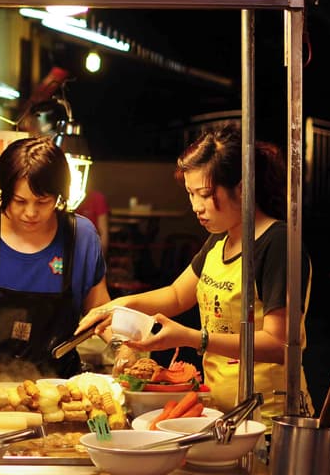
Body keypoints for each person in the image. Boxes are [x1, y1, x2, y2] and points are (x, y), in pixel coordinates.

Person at [76, 123, 313, 423]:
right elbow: (176, 295)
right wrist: (116, 306)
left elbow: (280, 345)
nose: (196, 207)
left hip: (268, 418)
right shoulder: (222, 238)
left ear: (243, 188)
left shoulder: (277, 243)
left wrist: (193, 338)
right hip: (221, 413)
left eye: (205, 194)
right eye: (191, 194)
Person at [0, 136, 111, 381]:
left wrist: (123, 345)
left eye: (43, 201)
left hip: (59, 387)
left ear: (59, 196)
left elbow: (99, 309)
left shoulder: (81, 236)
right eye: (20, 201)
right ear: (5, 192)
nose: (31, 213)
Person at [75, 188, 110, 253]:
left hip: (92, 247)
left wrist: (100, 257)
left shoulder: (97, 198)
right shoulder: (65, 201)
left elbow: (103, 233)